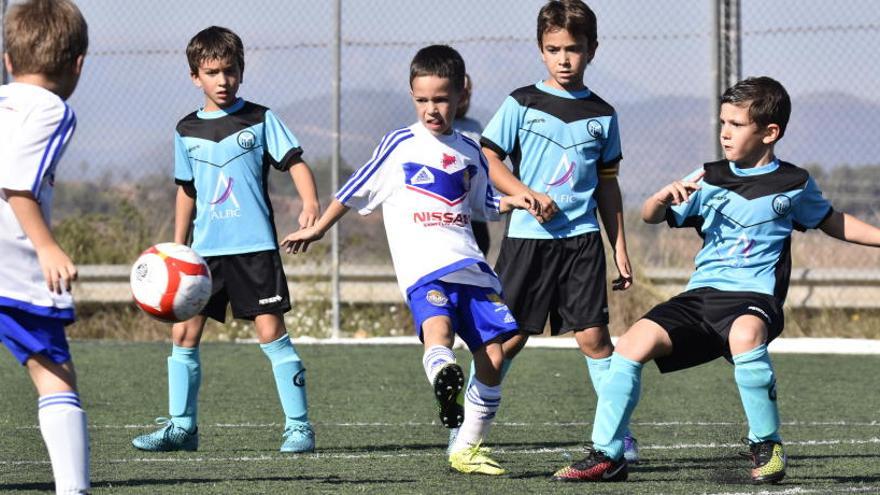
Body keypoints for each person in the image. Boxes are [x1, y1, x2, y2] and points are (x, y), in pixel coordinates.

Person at [552, 76, 880, 483]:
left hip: (753, 299)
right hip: (701, 297)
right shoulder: (708, 177)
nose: (725, 132)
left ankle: (767, 445)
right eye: (722, 122)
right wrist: (659, 198)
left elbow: (833, 222)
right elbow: (653, 217)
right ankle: (608, 454)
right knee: (631, 346)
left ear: (769, 133)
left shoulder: (793, 184)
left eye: (736, 124)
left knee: (744, 336)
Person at [281, 45, 541, 476]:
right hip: (424, 267)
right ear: (411, 95)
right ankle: (444, 376)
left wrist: (522, 199)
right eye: (422, 100)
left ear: (460, 95)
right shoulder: (400, 143)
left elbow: (486, 203)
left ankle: (465, 448)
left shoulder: (471, 150)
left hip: (471, 267)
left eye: (440, 99)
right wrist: (319, 227)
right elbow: (354, 189)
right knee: (437, 331)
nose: (431, 109)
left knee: (493, 358)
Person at [131, 26, 321, 454]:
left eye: (230, 71)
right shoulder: (186, 130)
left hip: (254, 249)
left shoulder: (260, 118)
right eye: (212, 72)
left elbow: (296, 163)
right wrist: (176, 249)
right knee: (183, 335)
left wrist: (310, 202)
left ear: (241, 71)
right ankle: (182, 428)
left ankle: (299, 427)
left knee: (272, 334)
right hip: (202, 257)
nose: (222, 80)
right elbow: (186, 190)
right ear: (195, 76)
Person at [478, 0, 638, 461]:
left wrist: (619, 248)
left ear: (592, 50)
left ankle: (618, 435)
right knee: (508, 339)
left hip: (582, 241)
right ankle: (469, 433)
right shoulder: (521, 102)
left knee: (594, 339)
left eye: (573, 49)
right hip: (527, 240)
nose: (563, 59)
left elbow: (608, 187)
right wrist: (524, 192)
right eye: (554, 49)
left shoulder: (603, 115)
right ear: (540, 50)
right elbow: (490, 160)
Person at [0, 0, 90, 493]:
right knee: (55, 374)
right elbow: (17, 183)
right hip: (13, 260)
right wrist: (48, 247)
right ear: (78, 63)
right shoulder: (54, 110)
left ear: (9, 60)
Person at [454, 74, 490, 256]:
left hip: (475, 217)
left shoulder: (475, 128)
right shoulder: (437, 128)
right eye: (459, 92)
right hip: (449, 217)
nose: (463, 98)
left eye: (467, 92)